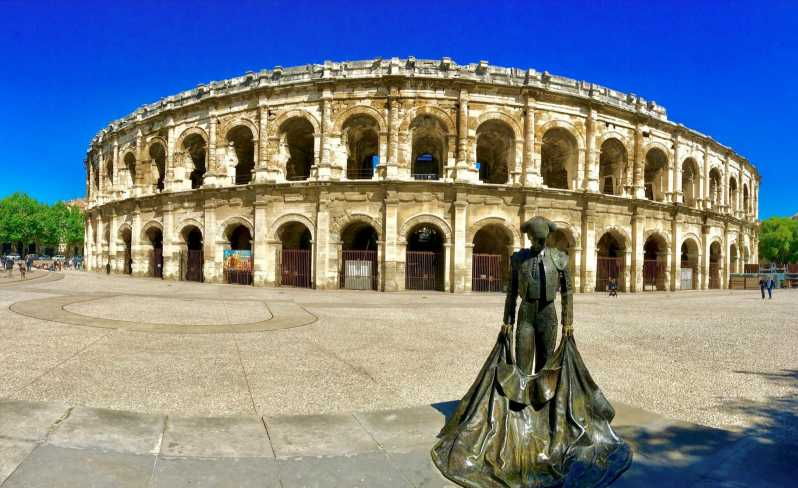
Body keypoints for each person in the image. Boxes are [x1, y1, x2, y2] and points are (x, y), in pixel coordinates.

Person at [431, 216, 631, 487]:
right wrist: (507, 320)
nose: (536, 243)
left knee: (549, 366)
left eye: (540, 239)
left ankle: (548, 415)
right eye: (533, 239)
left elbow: (568, 292)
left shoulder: (559, 258)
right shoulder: (519, 259)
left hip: (548, 314)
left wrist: (568, 322)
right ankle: (520, 416)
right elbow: (512, 292)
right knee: (522, 367)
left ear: (546, 237)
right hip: (526, 314)